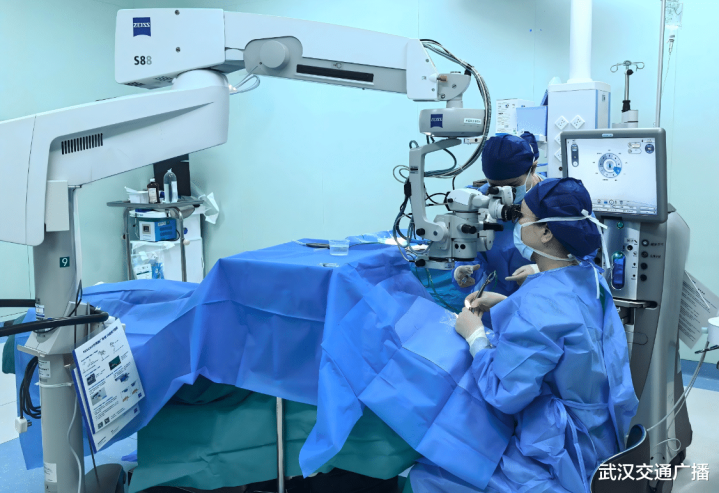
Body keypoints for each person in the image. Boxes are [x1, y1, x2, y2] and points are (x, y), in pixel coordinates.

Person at [407, 177, 638, 493]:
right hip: (601, 435)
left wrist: (475, 336)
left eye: (523, 216)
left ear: (545, 232)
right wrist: (508, 305)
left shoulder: (538, 305)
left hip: (560, 453)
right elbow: (567, 327)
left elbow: (506, 394)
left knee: (428, 474)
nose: (517, 223)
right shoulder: (590, 276)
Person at [452, 132, 544, 299]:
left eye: (512, 186)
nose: (503, 193)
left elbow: (581, 260)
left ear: (533, 168)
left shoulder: (559, 200)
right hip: (491, 297)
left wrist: (541, 270)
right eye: (494, 186)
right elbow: (469, 254)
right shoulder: (476, 200)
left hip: (541, 297)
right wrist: (462, 271)